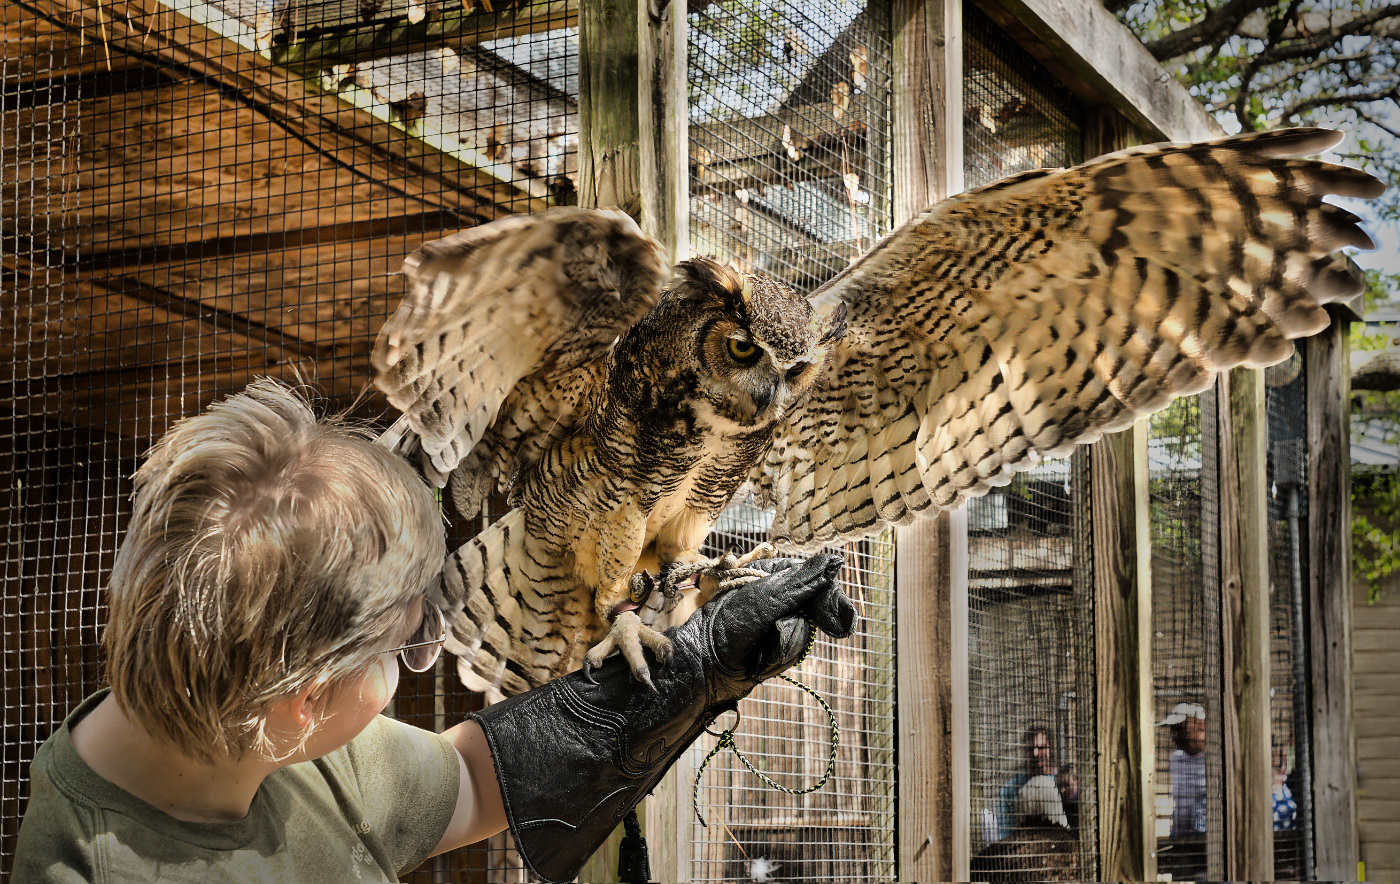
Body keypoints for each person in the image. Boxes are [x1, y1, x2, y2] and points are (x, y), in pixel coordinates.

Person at [12, 379, 855, 883]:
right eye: (407, 649)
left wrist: (688, 674)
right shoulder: (90, 866)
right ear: (304, 699)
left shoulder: (270, 744)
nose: (419, 668)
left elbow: (471, 778)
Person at [995, 725, 1056, 838]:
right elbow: (1005, 834)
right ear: (1024, 750)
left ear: (1050, 747)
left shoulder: (1061, 783)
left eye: (1041, 747)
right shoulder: (1010, 788)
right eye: (1030, 749)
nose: (1035, 754)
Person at [1163, 702, 1207, 838]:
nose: (1174, 734)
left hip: (1206, 835)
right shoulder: (1176, 759)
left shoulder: (1213, 760)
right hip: (1180, 834)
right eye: (1173, 730)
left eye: (1179, 728)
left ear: (1200, 724)